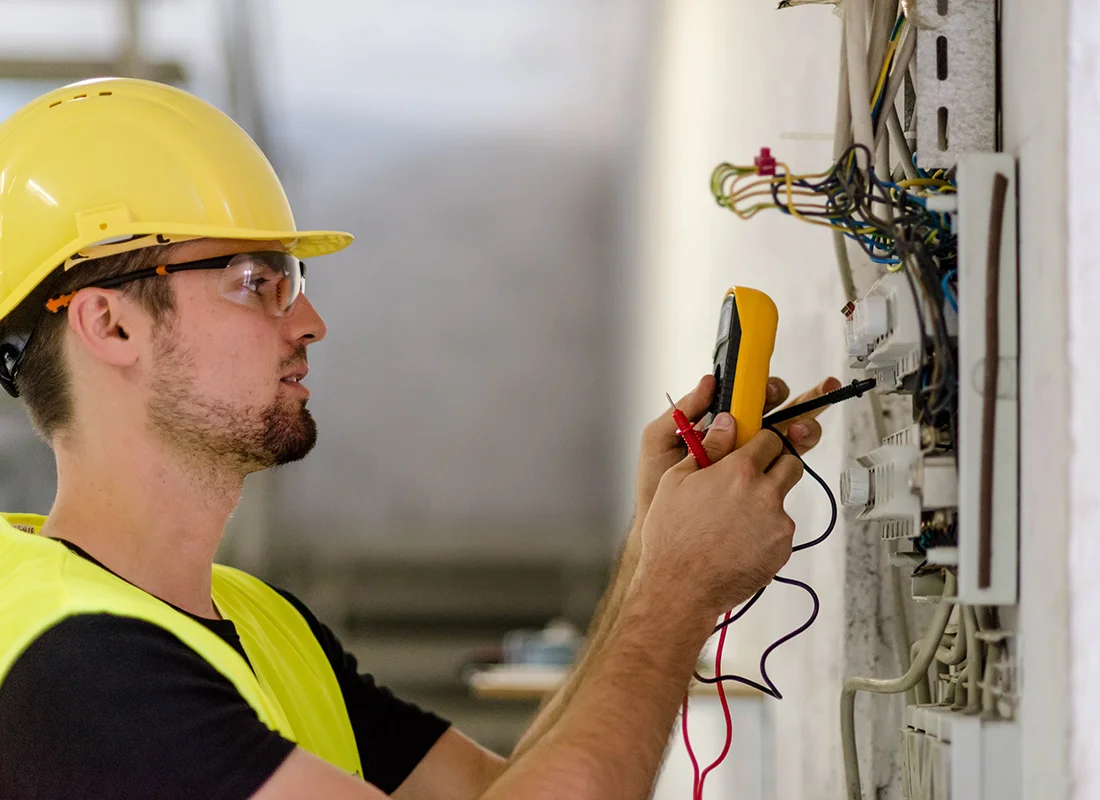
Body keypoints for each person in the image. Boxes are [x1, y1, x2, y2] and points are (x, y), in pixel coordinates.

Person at [0, 78, 836, 800]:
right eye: (256, 283)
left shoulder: (261, 621)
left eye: (296, 283)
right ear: (109, 325)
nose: (312, 323)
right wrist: (678, 593)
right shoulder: (71, 667)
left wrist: (654, 551)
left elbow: (503, 793)